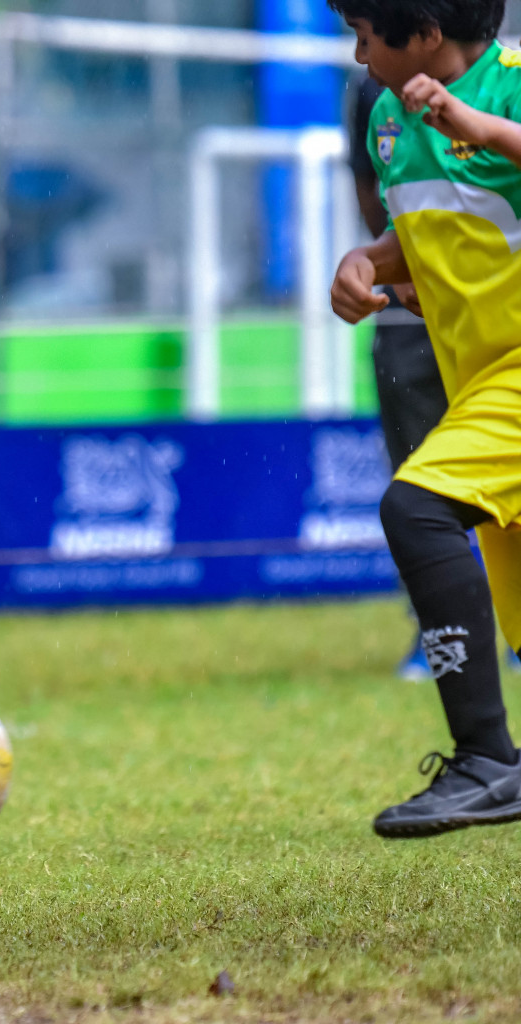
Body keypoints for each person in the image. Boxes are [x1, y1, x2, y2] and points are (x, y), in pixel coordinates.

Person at [328, 0, 521, 837]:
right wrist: (365, 262)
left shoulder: (511, 87)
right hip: (482, 384)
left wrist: (479, 123)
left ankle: (484, 760)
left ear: (427, 33)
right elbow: (430, 233)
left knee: (415, 506)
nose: (358, 48)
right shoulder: (384, 117)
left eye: (365, 29)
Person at [347, 72, 450, 681]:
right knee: (413, 486)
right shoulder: (369, 87)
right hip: (410, 317)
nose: (361, 49)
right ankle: (437, 633)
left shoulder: (502, 76)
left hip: (495, 312)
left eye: (365, 32)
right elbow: (368, 187)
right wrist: (394, 261)